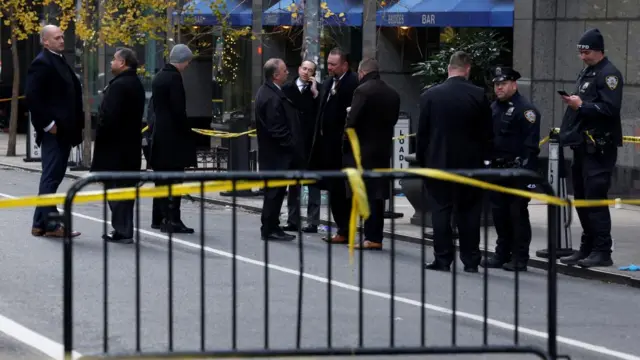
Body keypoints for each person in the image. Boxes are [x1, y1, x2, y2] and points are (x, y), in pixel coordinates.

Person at [416, 51, 493, 273]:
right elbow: (487, 133)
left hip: (438, 163)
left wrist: (422, 161)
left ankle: (443, 258)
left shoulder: (430, 96)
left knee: (440, 211)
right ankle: (471, 259)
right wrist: (486, 160)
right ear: (467, 69)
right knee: (469, 212)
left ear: (448, 69)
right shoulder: (479, 95)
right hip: (470, 165)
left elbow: (423, 134)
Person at [558, 28, 623, 268]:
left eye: (586, 52)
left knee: (595, 199)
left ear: (598, 51)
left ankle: (602, 250)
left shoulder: (609, 75)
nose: (582, 56)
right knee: (583, 199)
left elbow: (609, 109)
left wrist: (581, 105)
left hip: (600, 148)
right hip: (583, 146)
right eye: (580, 53)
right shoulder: (588, 72)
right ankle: (587, 247)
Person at [480, 66, 540, 272]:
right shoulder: (493, 108)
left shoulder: (526, 110)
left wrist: (527, 175)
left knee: (517, 214)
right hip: (496, 170)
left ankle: (520, 257)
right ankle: (501, 253)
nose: (499, 88)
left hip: (517, 172)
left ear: (513, 84)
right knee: (499, 214)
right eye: (496, 85)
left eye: (503, 84)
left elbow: (531, 146)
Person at [26, 24, 83, 238]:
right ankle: (51, 225)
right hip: (54, 132)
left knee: (53, 176)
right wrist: (49, 125)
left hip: (65, 130)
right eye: (57, 37)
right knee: (51, 177)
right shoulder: (41, 63)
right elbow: (33, 97)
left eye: (62, 37)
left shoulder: (59, 59)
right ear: (45, 41)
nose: (62, 40)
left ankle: (39, 224)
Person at [343, 58, 400, 250]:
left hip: (362, 151)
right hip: (383, 150)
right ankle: (376, 236)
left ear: (361, 72)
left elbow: (352, 122)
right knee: (378, 195)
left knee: (364, 194)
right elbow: (392, 120)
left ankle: (369, 235)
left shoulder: (362, 91)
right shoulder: (393, 93)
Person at [90, 48, 146, 244]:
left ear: (122, 63)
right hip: (128, 147)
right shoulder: (134, 83)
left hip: (115, 149)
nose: (111, 63)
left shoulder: (120, 85)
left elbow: (109, 117)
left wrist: (101, 133)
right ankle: (124, 228)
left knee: (117, 191)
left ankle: (122, 230)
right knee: (123, 190)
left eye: (114, 60)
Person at [308, 47, 359, 244]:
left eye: (333, 64)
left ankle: (346, 229)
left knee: (341, 190)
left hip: (342, 147)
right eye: (328, 63)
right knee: (332, 189)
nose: (329, 67)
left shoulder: (353, 83)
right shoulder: (328, 82)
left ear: (345, 65)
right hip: (325, 147)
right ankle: (342, 227)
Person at [255, 58, 305, 240]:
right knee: (274, 193)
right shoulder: (270, 96)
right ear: (275, 75)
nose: (287, 73)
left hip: (276, 154)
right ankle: (269, 228)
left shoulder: (271, 92)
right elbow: (276, 127)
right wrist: (291, 143)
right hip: (276, 155)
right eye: (284, 70)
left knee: (275, 192)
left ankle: (272, 226)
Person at [149, 44, 197, 234]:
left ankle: (158, 217)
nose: (187, 65)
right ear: (183, 60)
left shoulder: (159, 76)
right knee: (174, 179)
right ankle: (173, 220)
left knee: (161, 180)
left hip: (159, 133)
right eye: (188, 61)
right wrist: (186, 131)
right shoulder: (174, 78)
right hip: (173, 137)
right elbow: (178, 109)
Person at [281, 60, 321, 233]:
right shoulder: (287, 89)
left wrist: (315, 93)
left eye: (310, 70)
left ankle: (313, 221)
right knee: (294, 184)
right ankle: (293, 220)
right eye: (304, 68)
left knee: (313, 184)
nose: (306, 72)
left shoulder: (317, 90)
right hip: (293, 142)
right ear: (298, 69)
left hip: (311, 143)